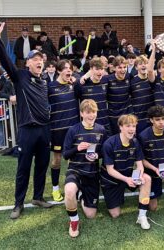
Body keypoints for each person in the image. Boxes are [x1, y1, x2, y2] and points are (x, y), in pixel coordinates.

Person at [0, 15, 54, 219]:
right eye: (35, 60)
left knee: (42, 166)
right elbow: (6, 62)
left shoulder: (43, 82)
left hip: (44, 130)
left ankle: (38, 197)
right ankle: (18, 203)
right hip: (27, 130)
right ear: (28, 64)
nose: (39, 62)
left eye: (41, 59)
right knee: (23, 168)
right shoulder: (20, 77)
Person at [63, 99, 106, 238]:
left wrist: (96, 156)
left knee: (91, 215)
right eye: (88, 112)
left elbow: (105, 153)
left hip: (92, 172)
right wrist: (77, 148)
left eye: (93, 112)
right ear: (82, 114)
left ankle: (81, 195)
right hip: (75, 170)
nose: (91, 115)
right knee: (69, 191)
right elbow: (65, 154)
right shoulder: (73, 130)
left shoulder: (101, 130)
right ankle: (74, 221)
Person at [101, 114, 152, 229]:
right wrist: (126, 179)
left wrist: (138, 176)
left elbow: (140, 164)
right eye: (128, 126)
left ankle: (142, 216)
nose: (131, 129)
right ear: (120, 127)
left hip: (128, 175)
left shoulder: (135, 142)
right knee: (115, 214)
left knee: (146, 179)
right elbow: (110, 170)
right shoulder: (109, 144)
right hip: (112, 180)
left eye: (134, 126)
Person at [48, 60, 80, 202]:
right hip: (57, 130)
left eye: (70, 68)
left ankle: (72, 188)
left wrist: (77, 81)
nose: (69, 71)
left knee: (72, 160)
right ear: (58, 71)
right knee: (57, 160)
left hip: (73, 130)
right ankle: (55, 188)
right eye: (66, 68)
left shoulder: (74, 85)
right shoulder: (50, 87)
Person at [76, 58, 111, 135]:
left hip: (104, 123)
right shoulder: (82, 83)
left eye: (101, 69)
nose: (100, 72)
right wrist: (85, 76)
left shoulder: (106, 81)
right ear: (91, 69)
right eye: (97, 69)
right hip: (88, 125)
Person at [101, 56, 133, 134]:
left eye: (124, 67)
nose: (122, 70)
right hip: (113, 116)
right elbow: (93, 79)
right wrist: (84, 77)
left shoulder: (129, 77)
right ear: (114, 68)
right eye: (119, 67)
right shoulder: (107, 79)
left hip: (126, 114)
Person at [130, 55, 154, 133]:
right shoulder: (132, 82)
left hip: (152, 117)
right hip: (139, 118)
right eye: (140, 64)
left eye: (145, 63)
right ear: (136, 67)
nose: (143, 65)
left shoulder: (153, 79)